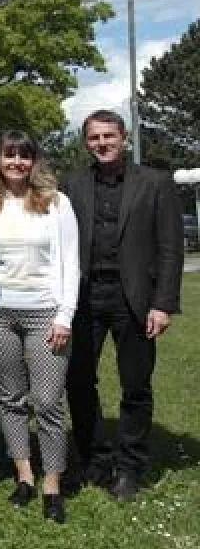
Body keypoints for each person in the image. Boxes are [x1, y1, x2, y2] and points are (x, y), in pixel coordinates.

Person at [63, 110, 184, 502]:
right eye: (94, 138)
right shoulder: (72, 184)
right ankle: (96, 458)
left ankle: (131, 465)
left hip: (134, 299)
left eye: (109, 137)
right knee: (78, 382)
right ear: (86, 143)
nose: (102, 143)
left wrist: (162, 304)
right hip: (83, 295)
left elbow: (170, 248)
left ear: (125, 139)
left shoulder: (155, 183)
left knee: (135, 385)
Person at [0, 131, 79, 524]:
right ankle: (23, 474)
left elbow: (70, 262)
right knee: (11, 399)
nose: (16, 162)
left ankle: (53, 481)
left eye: (23, 155)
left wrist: (64, 316)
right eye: (9, 155)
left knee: (49, 401)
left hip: (44, 315)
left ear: (34, 161)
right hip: (1, 315)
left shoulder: (56, 204)